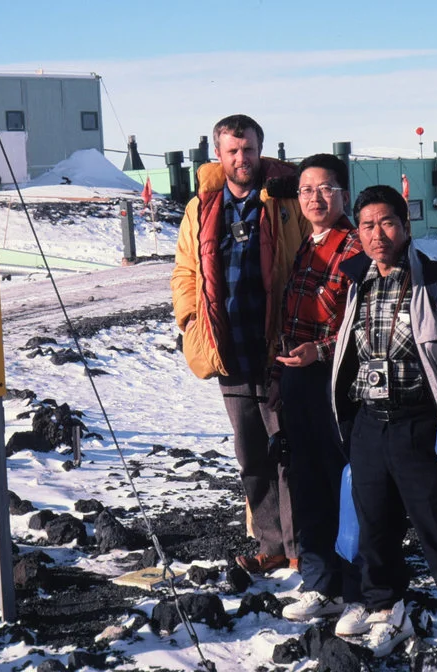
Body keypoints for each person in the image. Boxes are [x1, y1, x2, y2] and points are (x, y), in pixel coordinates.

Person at [331, 185, 437, 669]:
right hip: (370, 424)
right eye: (367, 225)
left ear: (405, 225)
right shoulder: (357, 281)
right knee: (375, 526)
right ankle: (385, 608)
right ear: (358, 233)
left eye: (387, 222)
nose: (378, 234)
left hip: (422, 423)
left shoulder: (436, 281)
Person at [171, 114, 308, 573]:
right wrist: (192, 322)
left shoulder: (285, 198)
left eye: (248, 149)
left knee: (291, 450)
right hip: (230, 348)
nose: (241, 158)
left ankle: (300, 549)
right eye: (232, 151)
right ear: (219, 155)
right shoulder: (202, 206)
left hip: (281, 347)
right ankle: (270, 546)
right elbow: (185, 273)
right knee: (251, 454)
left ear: (260, 150)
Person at [264, 154, 365, 621]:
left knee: (343, 486)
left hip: (339, 383)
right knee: (306, 486)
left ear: (343, 192)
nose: (315, 198)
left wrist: (318, 354)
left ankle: (358, 590)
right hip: (299, 380)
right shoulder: (308, 245)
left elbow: (362, 327)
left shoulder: (357, 246)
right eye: (306, 190)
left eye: (325, 188)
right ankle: (321, 585)